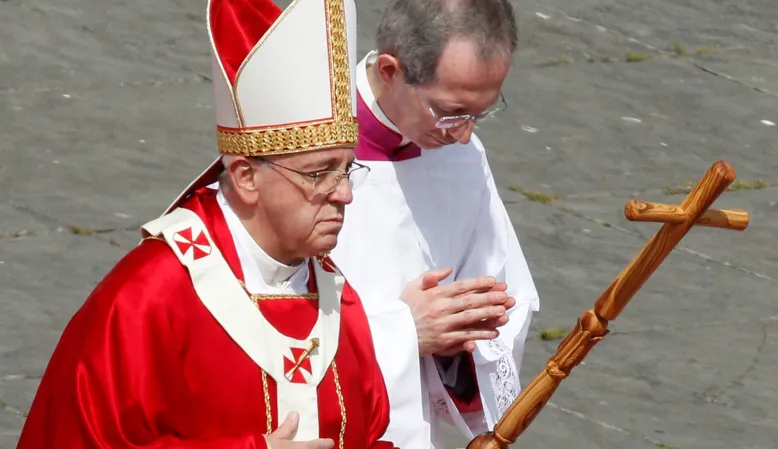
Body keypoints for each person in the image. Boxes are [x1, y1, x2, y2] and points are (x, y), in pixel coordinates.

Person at [16, 0, 400, 448]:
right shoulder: (149, 299)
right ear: (245, 176)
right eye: (319, 173)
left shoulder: (337, 300)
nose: (345, 194)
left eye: (347, 169)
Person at [328, 0, 539, 447]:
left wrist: (461, 340)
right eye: (449, 111)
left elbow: (503, 295)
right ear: (389, 70)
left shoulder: (462, 155)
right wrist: (404, 331)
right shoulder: (301, 156)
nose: (462, 134)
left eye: (478, 115)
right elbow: (269, 322)